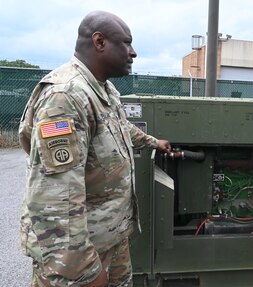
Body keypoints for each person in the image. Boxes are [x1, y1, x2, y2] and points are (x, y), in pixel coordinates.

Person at [18, 11, 171, 287]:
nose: (133, 53)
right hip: (78, 258)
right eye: (126, 43)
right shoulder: (66, 96)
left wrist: (153, 143)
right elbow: (55, 201)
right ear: (99, 42)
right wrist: (83, 272)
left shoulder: (104, 90)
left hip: (109, 239)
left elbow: (119, 128)